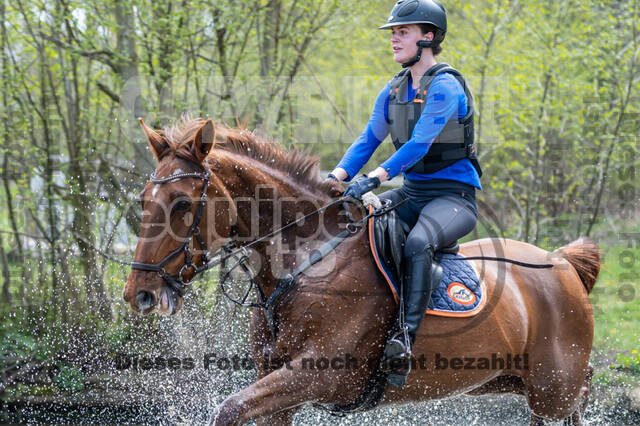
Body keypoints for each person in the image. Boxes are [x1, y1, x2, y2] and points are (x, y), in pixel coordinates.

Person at [327, 0, 482, 387]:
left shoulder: (445, 86)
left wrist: (375, 178)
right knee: (355, 221)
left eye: (403, 32)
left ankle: (404, 342)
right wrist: (337, 177)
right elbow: (369, 139)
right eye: (393, 32)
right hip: (413, 192)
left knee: (417, 243)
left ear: (428, 36)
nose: (394, 39)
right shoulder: (393, 90)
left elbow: (419, 144)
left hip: (454, 199)